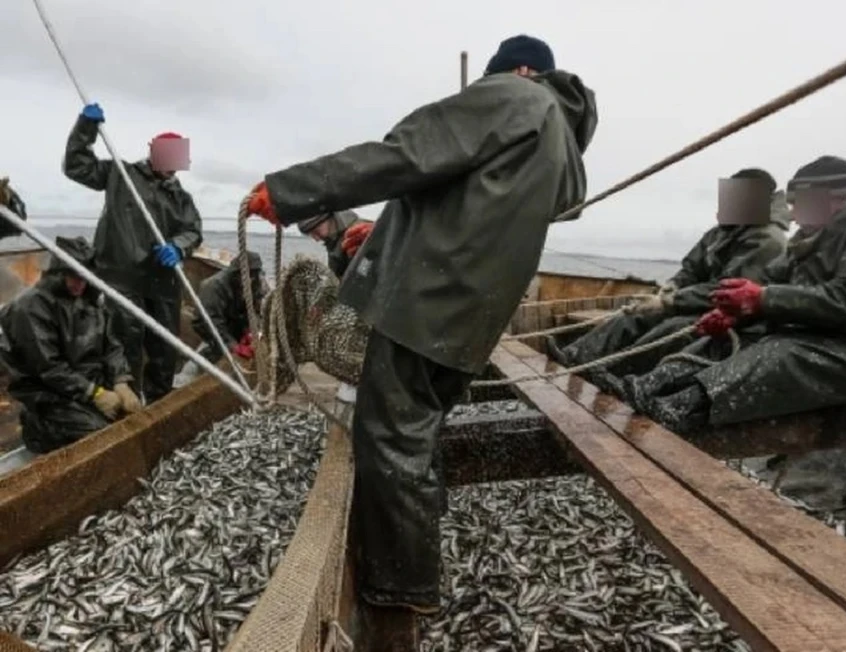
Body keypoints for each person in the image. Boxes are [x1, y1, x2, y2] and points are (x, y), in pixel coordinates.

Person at [245, 33, 597, 648]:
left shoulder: (516, 95)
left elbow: (406, 154)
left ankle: (400, 589)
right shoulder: (561, 142)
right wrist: (384, 230)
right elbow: (477, 201)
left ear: (515, 71)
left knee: (390, 435)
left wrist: (293, 189)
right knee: (416, 429)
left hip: (429, 304)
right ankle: (411, 557)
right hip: (472, 311)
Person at [622, 156, 846, 435]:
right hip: (829, 338)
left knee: (783, 353)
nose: (792, 215)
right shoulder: (818, 237)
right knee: (734, 334)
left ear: (830, 197)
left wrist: (762, 299)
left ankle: (680, 408)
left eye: (797, 204)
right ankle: (648, 387)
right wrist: (738, 312)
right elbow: (770, 280)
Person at [547, 168, 787, 391]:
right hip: (701, 304)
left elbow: (727, 292)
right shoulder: (720, 232)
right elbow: (691, 269)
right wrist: (671, 288)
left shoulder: (767, 239)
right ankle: (576, 356)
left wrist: (670, 302)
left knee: (673, 328)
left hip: (735, 319)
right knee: (637, 313)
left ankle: (611, 374)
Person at [62, 102, 203, 404]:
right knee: (125, 344)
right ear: (152, 150)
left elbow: (194, 230)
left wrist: (178, 246)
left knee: (165, 347)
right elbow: (75, 166)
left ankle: (160, 403)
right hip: (120, 276)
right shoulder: (120, 175)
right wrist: (85, 129)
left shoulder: (182, 198)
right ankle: (129, 403)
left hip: (163, 282)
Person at [0, 236, 142, 454]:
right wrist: (94, 393)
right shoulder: (30, 308)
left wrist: (120, 381)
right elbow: (49, 368)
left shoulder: (91, 300)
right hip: (49, 393)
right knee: (102, 436)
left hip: (85, 382)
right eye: (73, 276)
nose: (79, 284)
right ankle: (39, 430)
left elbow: (111, 345)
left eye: (84, 278)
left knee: (132, 418)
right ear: (58, 272)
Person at [173, 252, 266, 387]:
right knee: (214, 350)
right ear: (236, 273)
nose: (250, 279)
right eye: (246, 275)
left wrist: (251, 333)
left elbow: (258, 310)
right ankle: (182, 381)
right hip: (209, 324)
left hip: (236, 322)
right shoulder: (215, 286)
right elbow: (209, 321)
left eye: (253, 274)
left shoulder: (257, 282)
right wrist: (231, 345)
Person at [297, 209, 372, 279]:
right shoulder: (332, 239)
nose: (316, 239)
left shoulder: (359, 234)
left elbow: (364, 273)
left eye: (316, 232)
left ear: (326, 219)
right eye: (311, 235)